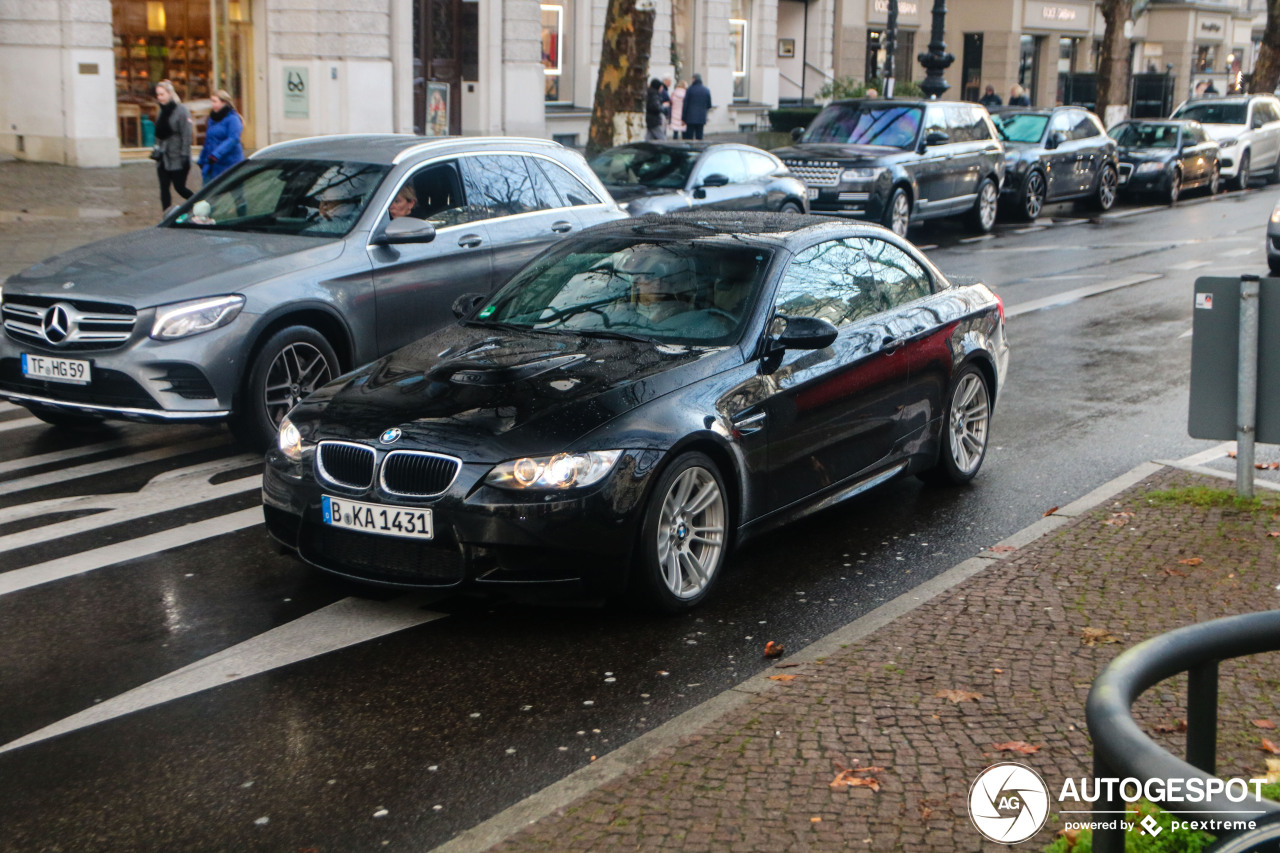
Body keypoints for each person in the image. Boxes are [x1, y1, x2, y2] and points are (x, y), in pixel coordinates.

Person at [152, 79, 194, 212]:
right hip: (164, 156)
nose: (159, 97)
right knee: (164, 188)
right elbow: (159, 133)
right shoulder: (161, 111)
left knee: (179, 187)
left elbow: (186, 134)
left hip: (178, 155)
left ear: (170, 94)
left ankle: (198, 204)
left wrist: (185, 155)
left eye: (162, 94)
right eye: (158, 95)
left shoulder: (181, 110)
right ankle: (166, 215)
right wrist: (157, 149)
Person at [197, 89, 244, 184]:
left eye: (215, 101)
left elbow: (233, 139)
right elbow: (208, 140)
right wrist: (202, 160)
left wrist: (216, 154)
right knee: (207, 194)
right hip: (212, 164)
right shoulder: (212, 119)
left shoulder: (233, 119)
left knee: (237, 196)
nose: (212, 104)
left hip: (229, 163)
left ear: (224, 102)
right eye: (211, 101)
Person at [683, 73, 713, 140]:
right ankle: (699, 149)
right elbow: (709, 105)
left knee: (689, 137)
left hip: (690, 118)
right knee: (699, 137)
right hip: (701, 117)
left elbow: (685, 104)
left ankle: (689, 149)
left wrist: (683, 117)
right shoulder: (706, 90)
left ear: (694, 79)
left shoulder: (689, 90)